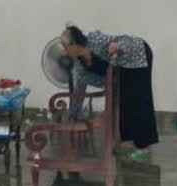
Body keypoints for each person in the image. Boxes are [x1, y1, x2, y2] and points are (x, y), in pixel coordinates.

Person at [60, 22, 158, 159]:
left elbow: (126, 40)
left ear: (74, 44)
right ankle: (128, 139)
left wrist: (119, 46)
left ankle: (145, 145)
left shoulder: (94, 40)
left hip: (138, 54)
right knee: (125, 99)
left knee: (140, 98)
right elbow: (81, 83)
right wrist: (73, 115)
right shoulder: (79, 61)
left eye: (65, 47)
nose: (65, 51)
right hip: (122, 66)